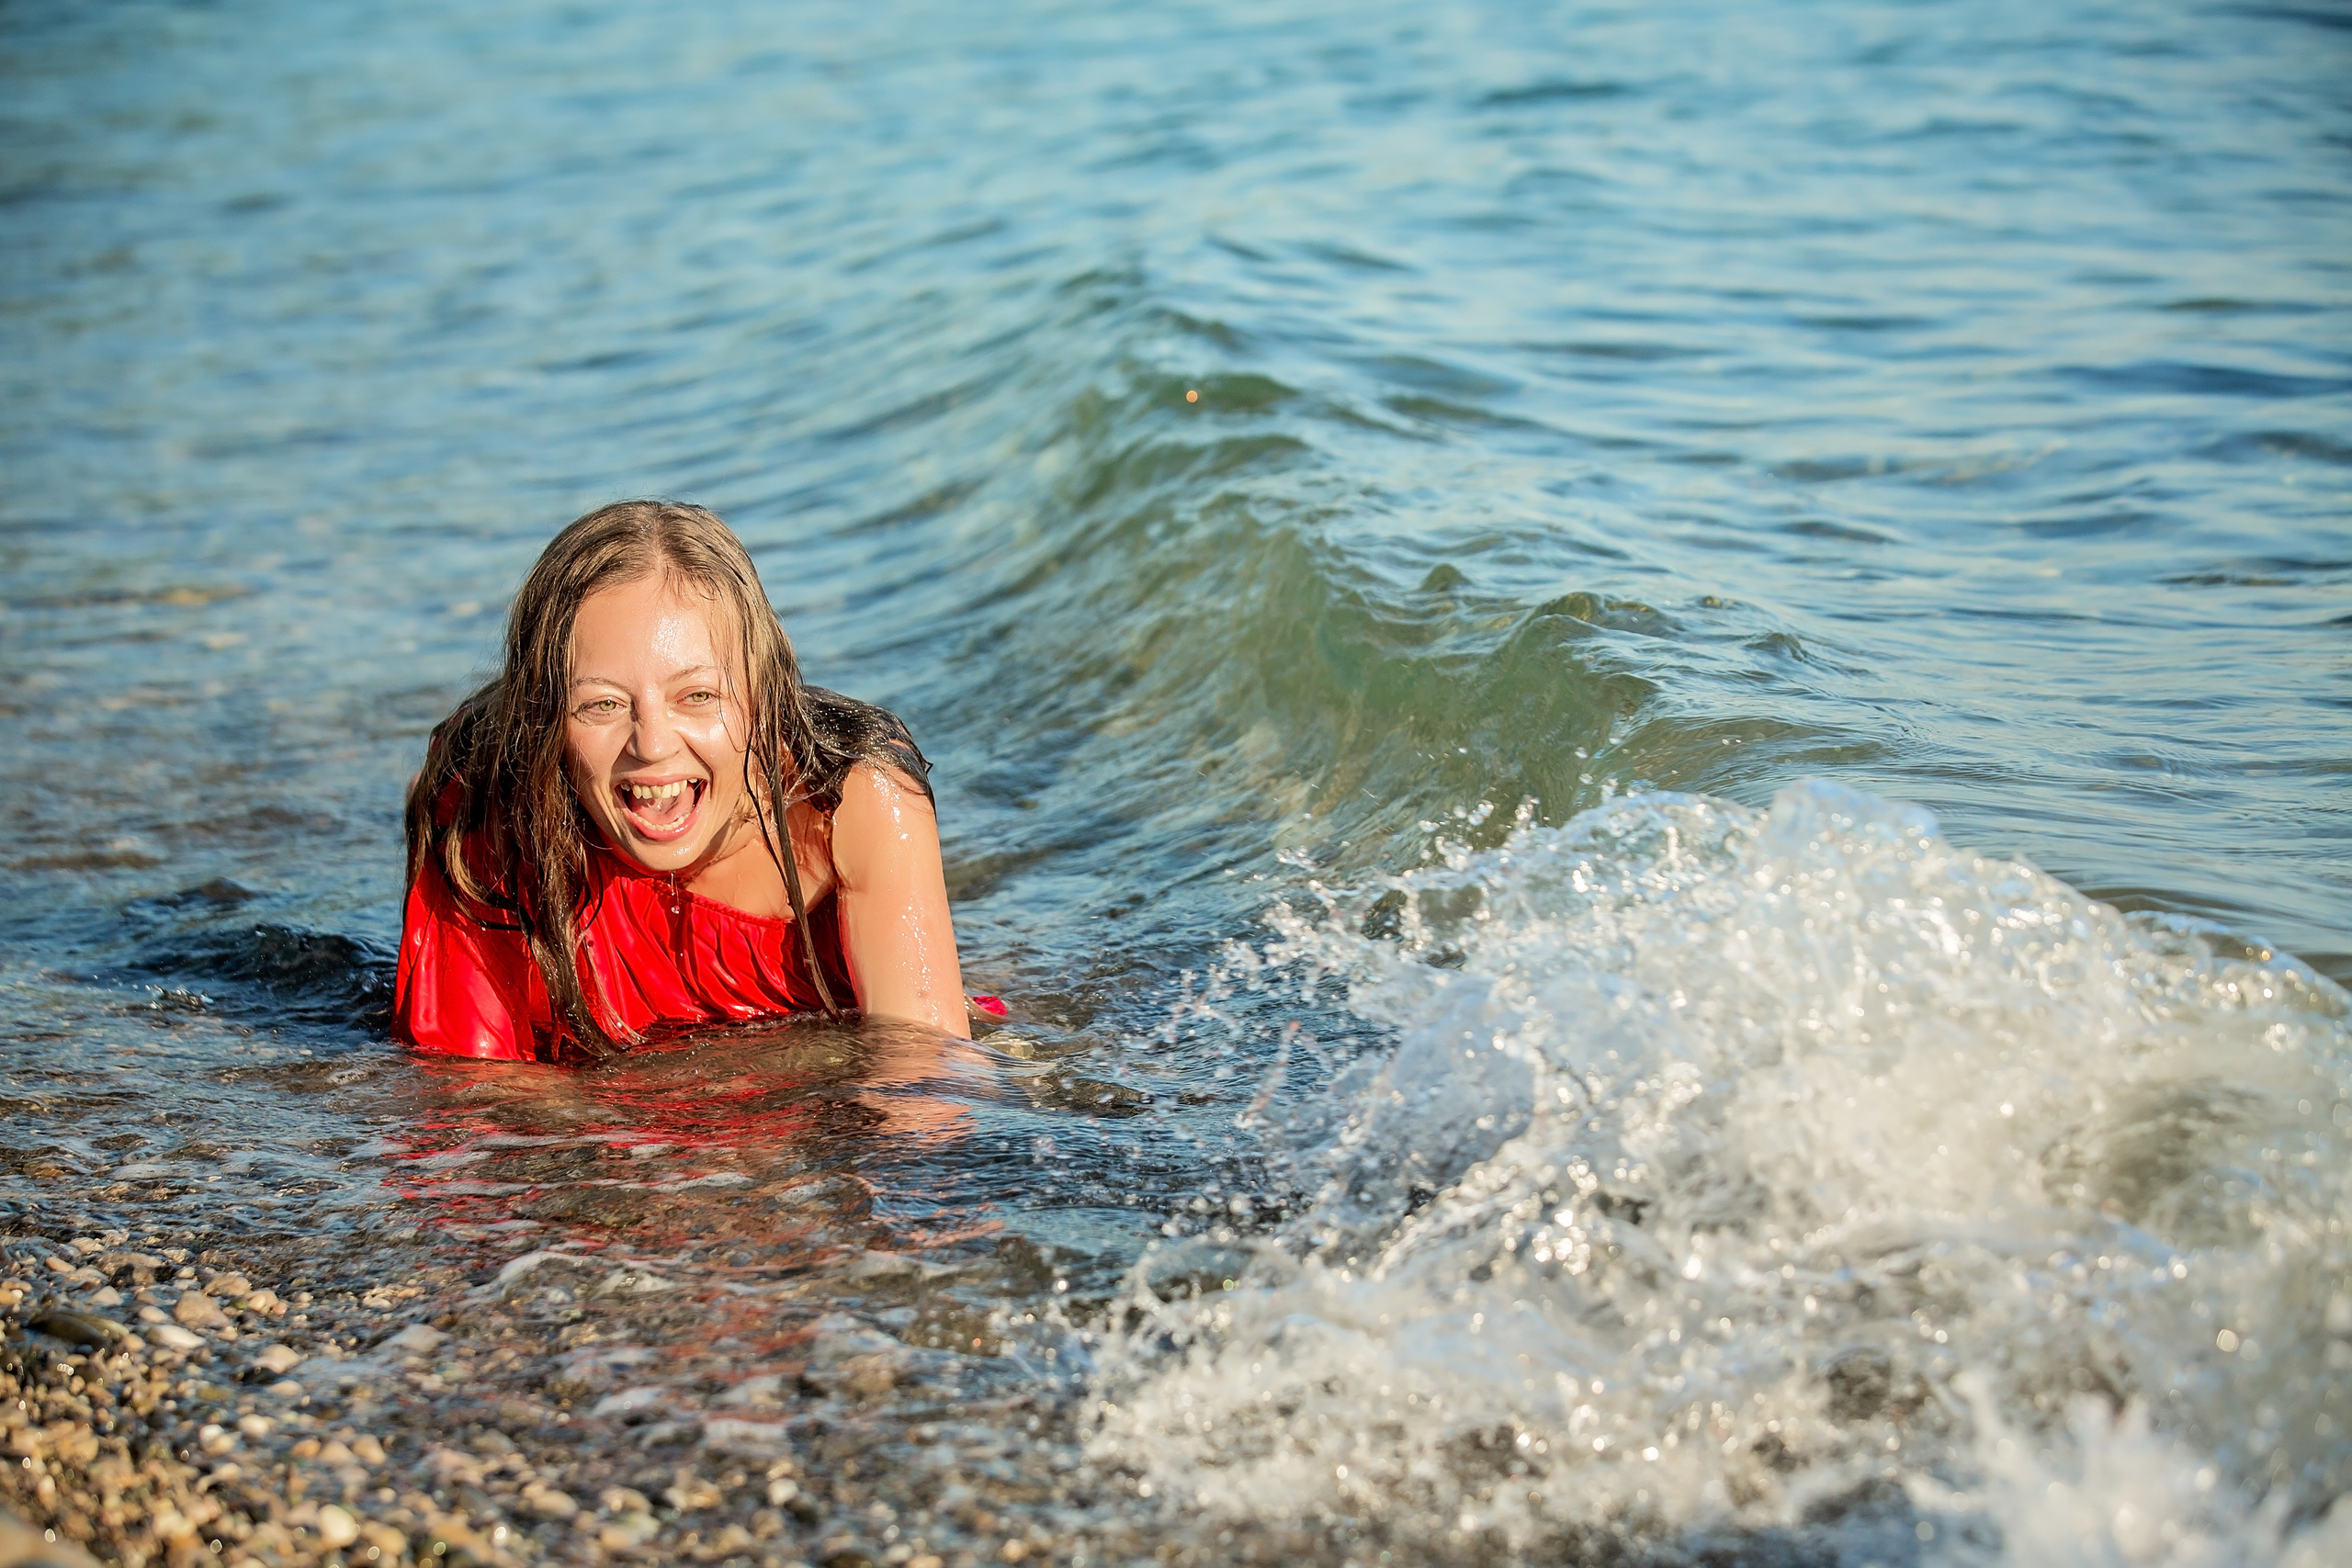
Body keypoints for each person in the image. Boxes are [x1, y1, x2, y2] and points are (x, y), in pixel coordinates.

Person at [393, 499, 1000, 1062]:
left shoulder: (852, 800)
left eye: (698, 695)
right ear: (544, 718)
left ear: (763, 692)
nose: (653, 745)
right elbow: (473, 1093)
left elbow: (924, 1085)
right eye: (602, 705)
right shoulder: (490, 795)